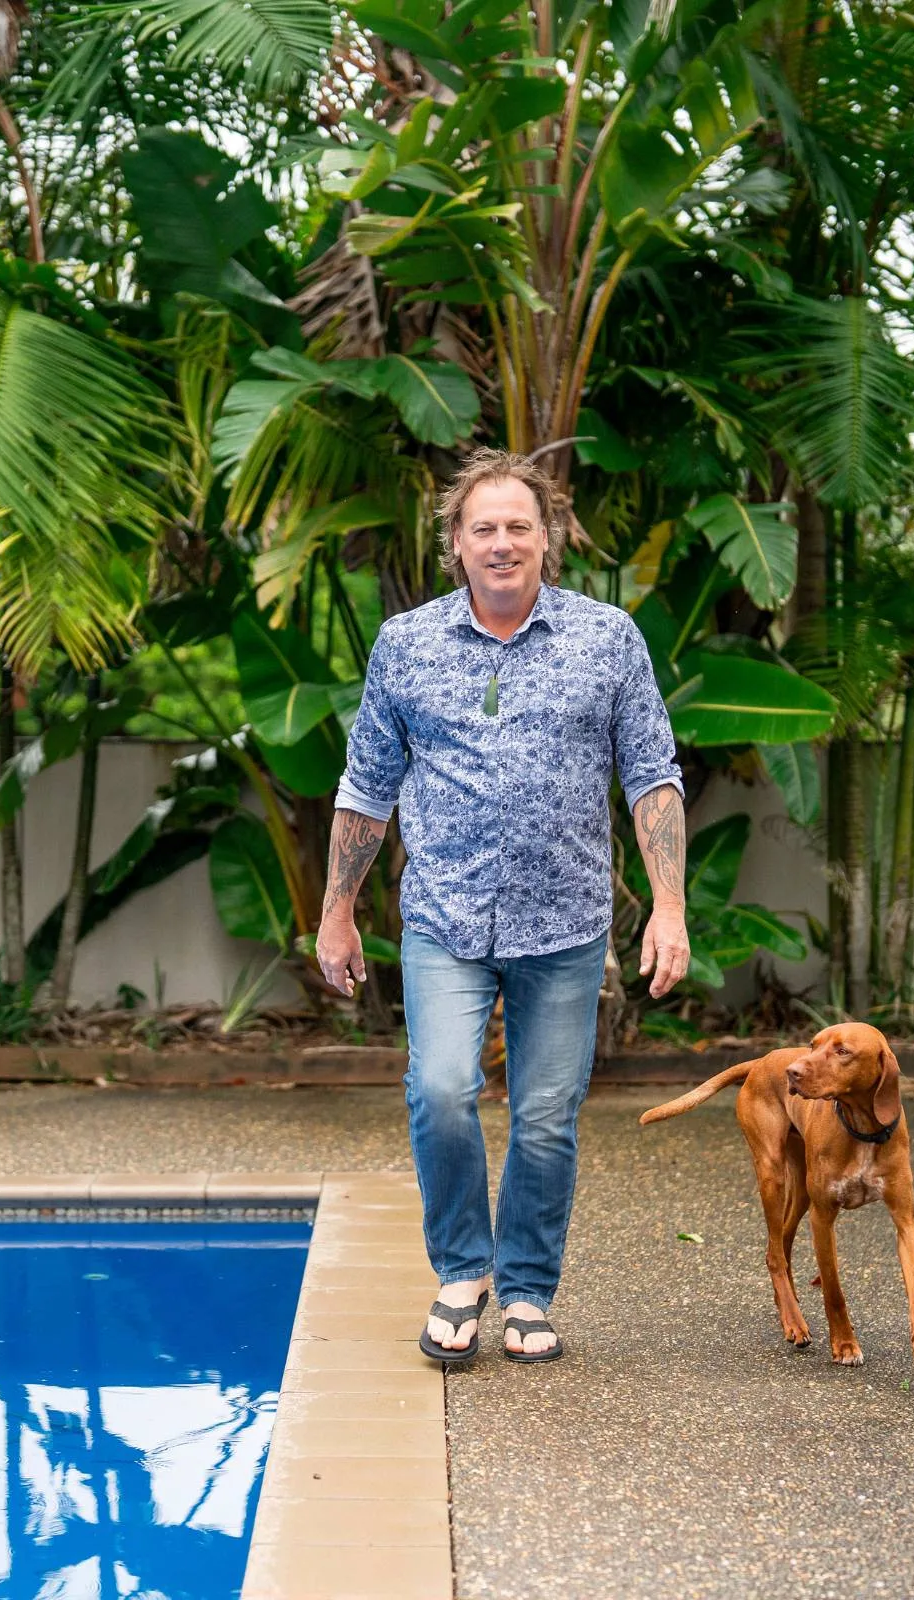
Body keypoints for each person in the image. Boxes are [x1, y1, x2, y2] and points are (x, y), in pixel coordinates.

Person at [315, 448, 691, 1363]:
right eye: (482, 527)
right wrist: (337, 910)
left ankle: (526, 1291)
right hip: (446, 916)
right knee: (442, 1089)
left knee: (547, 1113)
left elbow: (653, 776)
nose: (501, 542)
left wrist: (670, 907)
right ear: (455, 543)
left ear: (549, 537)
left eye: (519, 525)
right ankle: (460, 1271)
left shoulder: (608, 640)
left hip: (564, 922)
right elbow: (366, 787)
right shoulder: (407, 646)